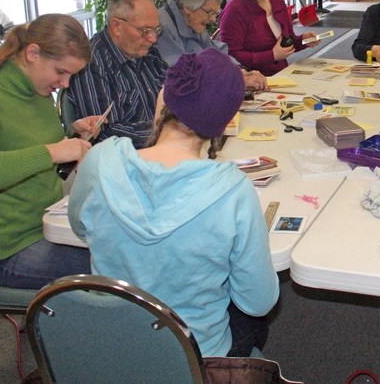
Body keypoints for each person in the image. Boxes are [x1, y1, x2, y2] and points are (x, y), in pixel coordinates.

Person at [69, 48, 279, 358]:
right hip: (195, 358)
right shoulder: (232, 190)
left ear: (163, 97)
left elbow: (80, 227)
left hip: (110, 347)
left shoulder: (99, 161)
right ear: (224, 124)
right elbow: (258, 301)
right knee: (252, 321)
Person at [0, 14, 100, 289]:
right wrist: (52, 151)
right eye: (61, 72)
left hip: (48, 224)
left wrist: (72, 138)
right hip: (8, 251)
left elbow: (27, 150)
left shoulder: (38, 91)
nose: (65, 84)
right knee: (119, 267)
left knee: (122, 249)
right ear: (33, 53)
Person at [67, 0, 168, 149]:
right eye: (145, 31)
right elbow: (105, 134)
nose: (153, 38)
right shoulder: (91, 64)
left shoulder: (148, 52)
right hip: (125, 159)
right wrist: (169, 131)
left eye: (156, 30)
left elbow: (174, 93)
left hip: (163, 148)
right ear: (116, 26)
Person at [157, 0, 267, 91]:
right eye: (209, 12)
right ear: (187, 7)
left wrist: (239, 70)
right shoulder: (162, 27)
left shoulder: (193, 21)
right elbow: (184, 74)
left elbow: (214, 52)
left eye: (216, 13)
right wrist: (232, 79)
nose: (213, 19)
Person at [218, 0, 317, 76]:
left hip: (282, 75)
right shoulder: (235, 11)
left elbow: (287, 42)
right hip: (253, 80)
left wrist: (303, 41)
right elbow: (232, 56)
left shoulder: (277, 2)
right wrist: (271, 55)